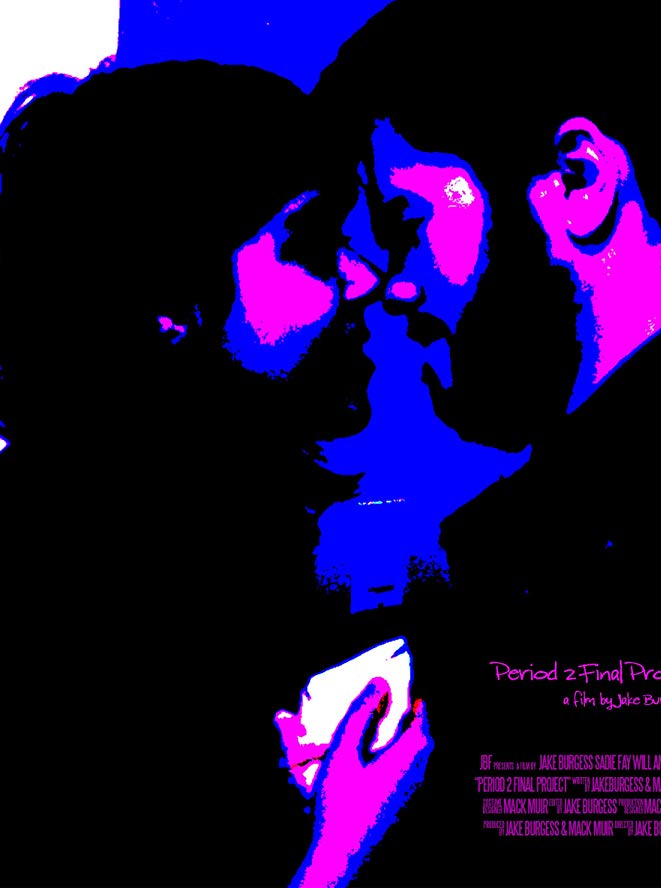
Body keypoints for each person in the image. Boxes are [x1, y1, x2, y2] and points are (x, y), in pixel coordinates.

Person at [246, 0, 661, 887]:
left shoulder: (644, 538)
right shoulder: (599, 516)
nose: (376, 283)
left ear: (577, 179)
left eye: (402, 220)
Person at [0, 59, 432, 888]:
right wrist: (339, 849)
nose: (364, 278)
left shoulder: (204, 524)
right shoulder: (80, 570)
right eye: (312, 242)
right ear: (169, 298)